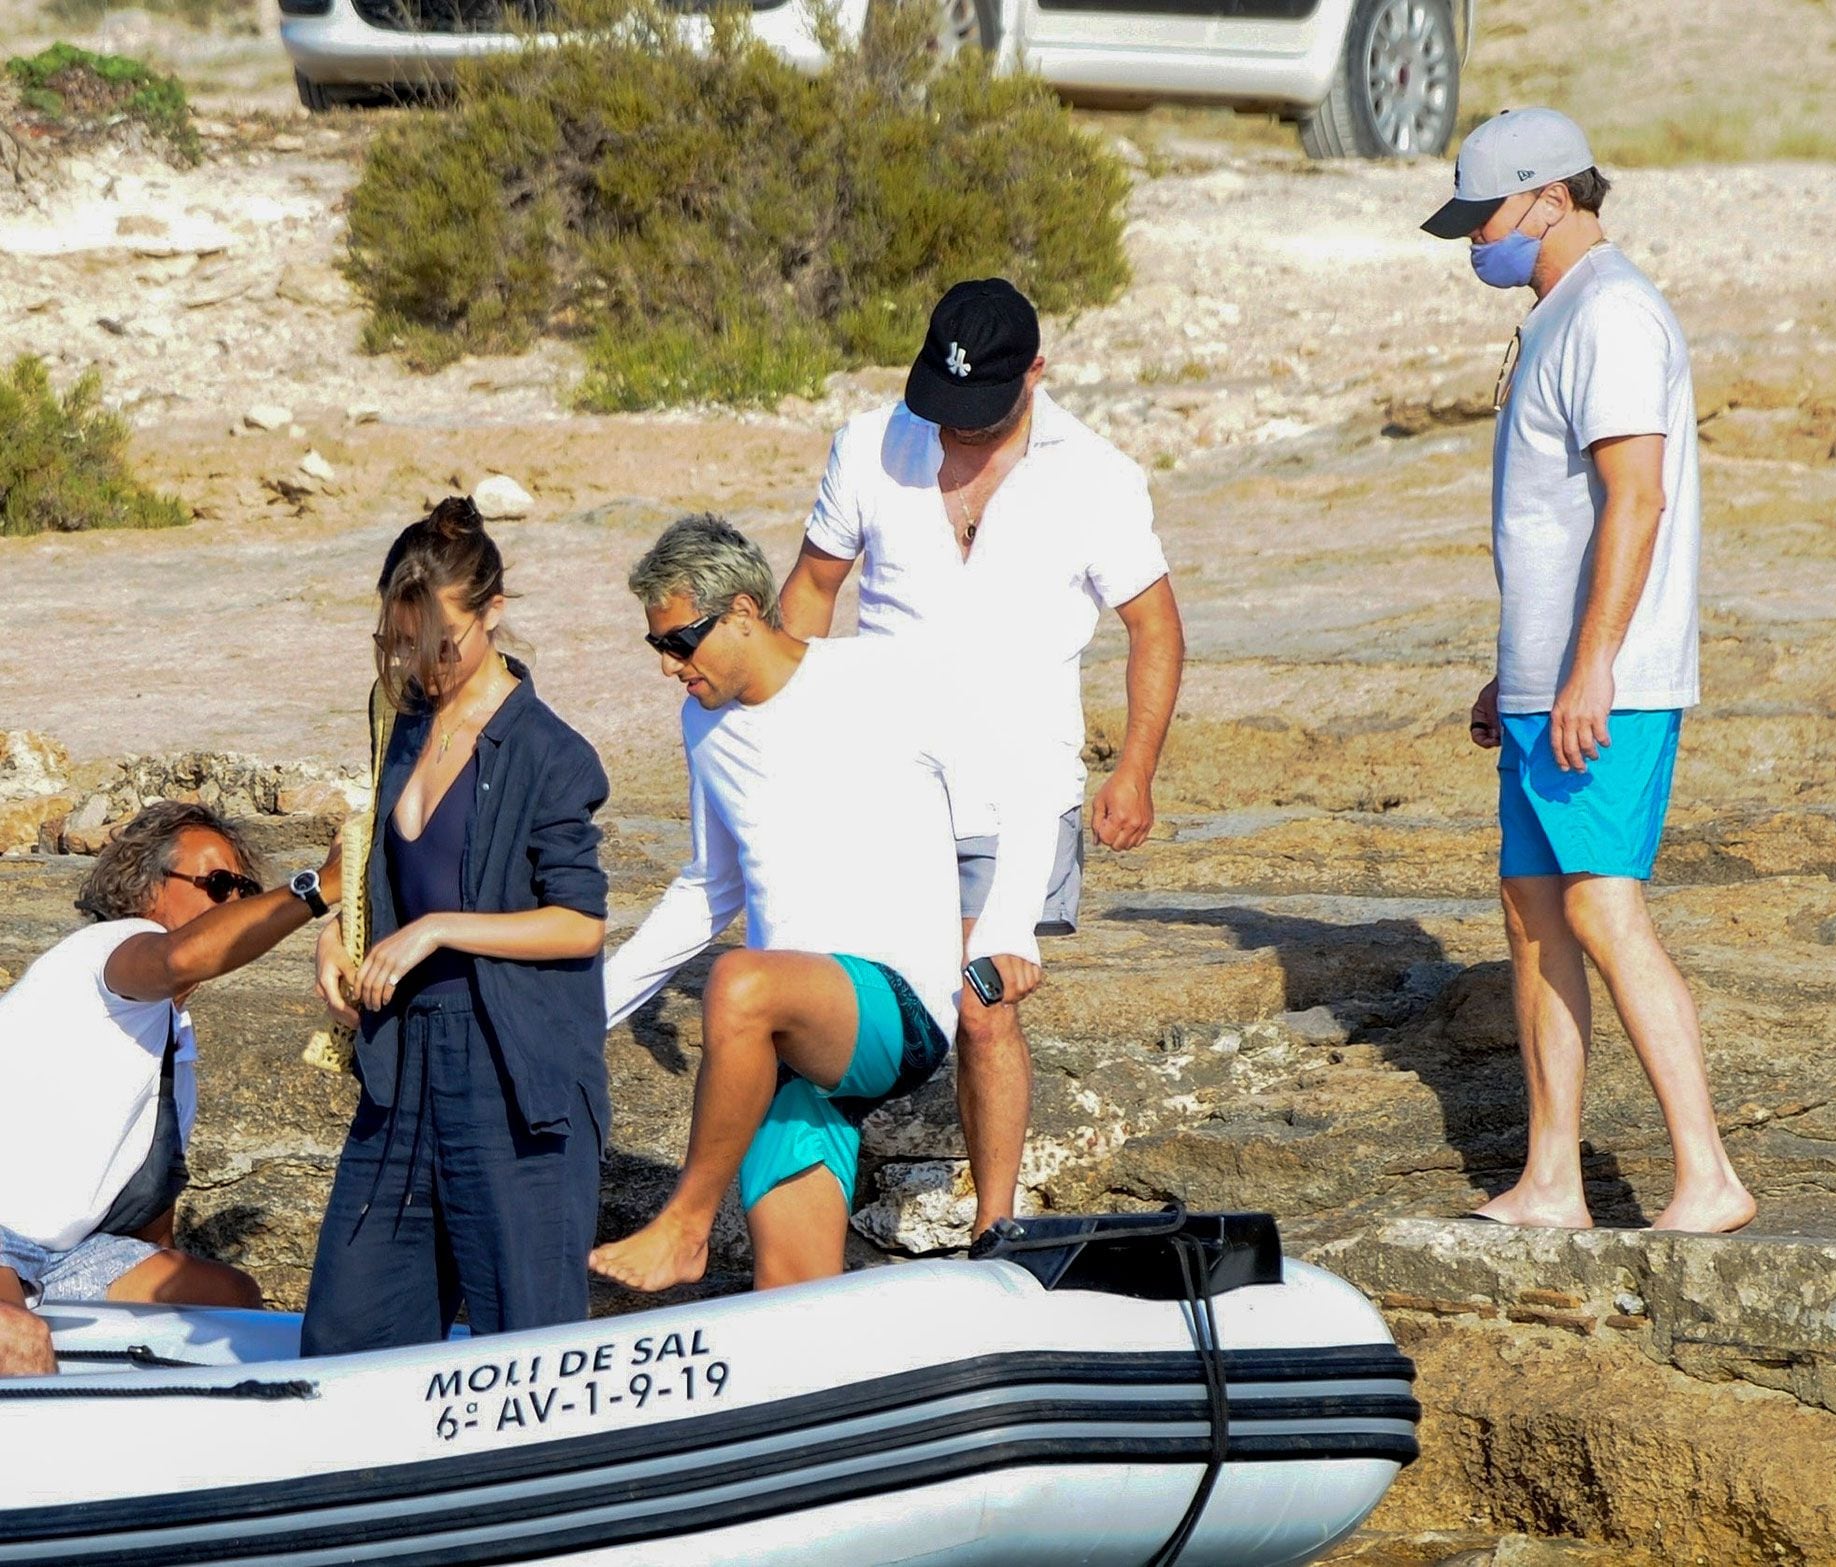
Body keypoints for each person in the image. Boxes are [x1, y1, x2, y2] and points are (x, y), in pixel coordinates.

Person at [779, 277, 1185, 1237]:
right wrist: (788, 734)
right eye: (944, 405)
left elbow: (1155, 627)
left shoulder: (1097, 476)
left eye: (979, 411)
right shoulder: (869, 444)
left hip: (1021, 794)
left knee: (983, 1004)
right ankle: (806, 1240)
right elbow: (811, 589)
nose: (957, 429)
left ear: (1036, 373)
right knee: (835, 994)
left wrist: (1135, 769)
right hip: (881, 784)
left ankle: (995, 1231)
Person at [1422, 109, 1754, 1233]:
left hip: (1611, 683)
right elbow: (1550, 522)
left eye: (1486, 218)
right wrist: (1517, 672)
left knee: (1603, 905)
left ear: (1552, 198)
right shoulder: (1557, 313)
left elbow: (1635, 499)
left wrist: (1592, 666)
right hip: (1547, 681)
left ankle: (1708, 1173)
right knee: (1532, 909)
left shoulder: (1612, 312)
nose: (1476, 241)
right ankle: (1553, 1178)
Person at [594, 514, 1053, 1293]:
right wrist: (585, 1014)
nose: (670, 666)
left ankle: (686, 1226)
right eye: (656, 646)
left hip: (898, 1012)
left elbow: (1027, 788)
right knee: (793, 1300)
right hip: (790, 1045)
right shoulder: (703, 724)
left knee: (739, 983)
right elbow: (710, 885)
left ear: (743, 611)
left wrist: (1008, 930)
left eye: (680, 642)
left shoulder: (884, 675)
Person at [304, 497, 611, 1353]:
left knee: (528, 1351)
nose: (423, 665)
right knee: (344, 1336)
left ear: (494, 612)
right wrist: (337, 935)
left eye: (442, 643)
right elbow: (375, 864)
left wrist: (440, 928)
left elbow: (580, 924)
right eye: (402, 643)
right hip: (399, 1068)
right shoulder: (398, 721)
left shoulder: (553, 754)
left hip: (512, 1078)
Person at [1, 801, 344, 1373]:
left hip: (64, 1255)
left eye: (245, 890)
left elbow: (150, 1222)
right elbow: (179, 956)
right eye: (217, 885)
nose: (234, 902)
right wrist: (320, 887)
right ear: (146, 889)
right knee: (16, 1339)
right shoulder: (105, 952)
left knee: (228, 1306)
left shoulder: (173, 1043)